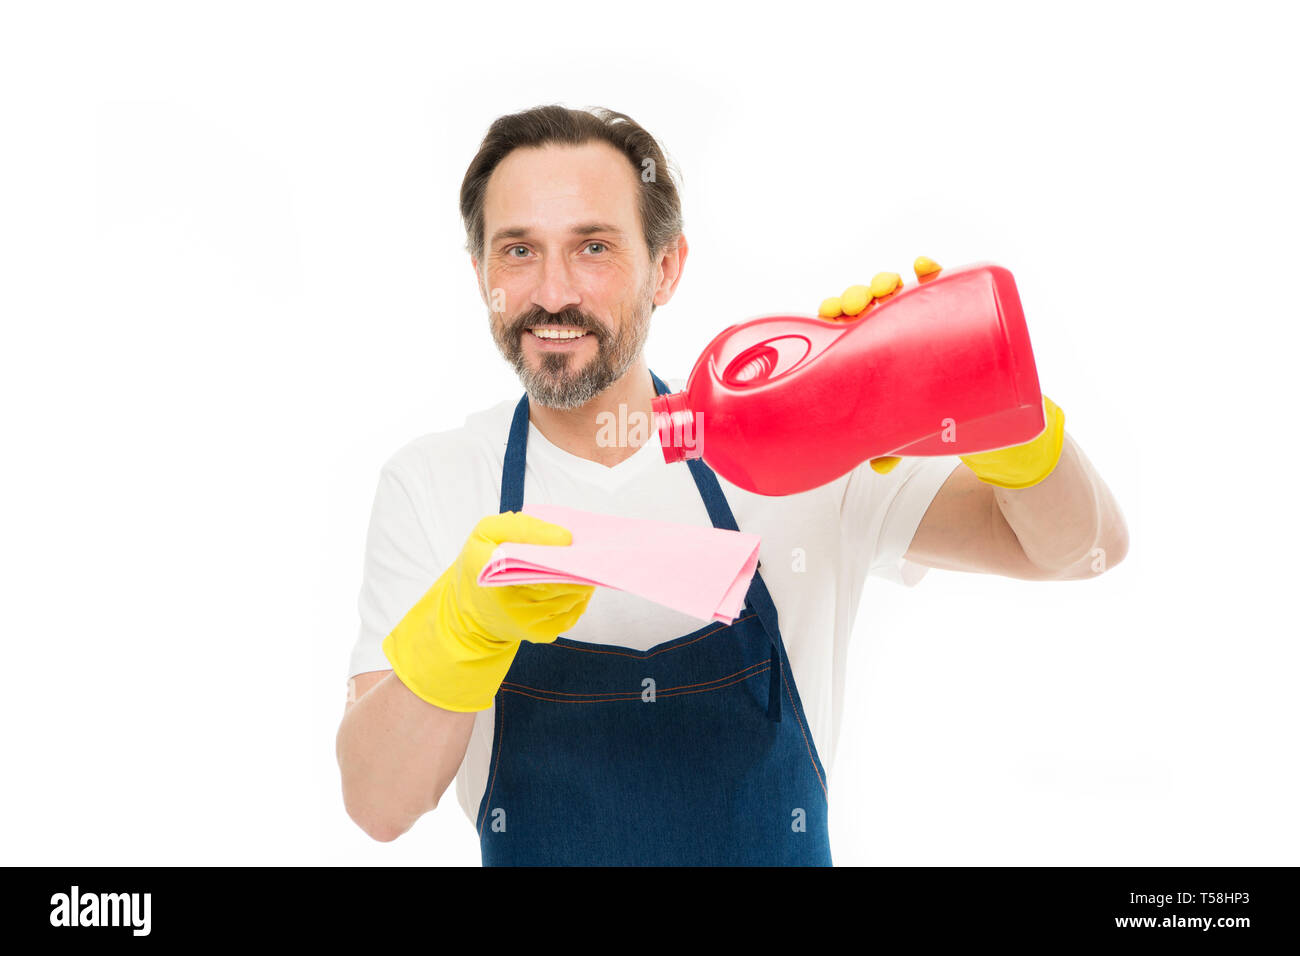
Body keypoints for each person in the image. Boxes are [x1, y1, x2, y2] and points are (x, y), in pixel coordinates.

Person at [334, 104, 1129, 865]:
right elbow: (378, 805)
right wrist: (460, 631)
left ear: (666, 268)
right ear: (480, 275)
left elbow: (1078, 550)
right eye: (517, 251)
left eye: (595, 247)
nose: (553, 292)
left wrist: (996, 415)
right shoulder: (433, 483)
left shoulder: (799, 442)